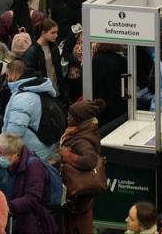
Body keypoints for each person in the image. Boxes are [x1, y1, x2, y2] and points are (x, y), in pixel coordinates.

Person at [0, 132, 58, 234]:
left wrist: (8, 206)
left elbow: (33, 198)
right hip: (17, 218)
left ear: (16, 155)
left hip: (33, 221)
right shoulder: (10, 164)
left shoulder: (34, 166)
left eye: (2, 153)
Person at [60, 98, 106, 234]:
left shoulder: (83, 140)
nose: (68, 117)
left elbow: (90, 160)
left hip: (79, 196)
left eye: (71, 115)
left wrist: (67, 156)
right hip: (81, 197)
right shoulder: (79, 132)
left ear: (79, 118)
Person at [2, 59, 60, 161]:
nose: (7, 79)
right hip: (45, 148)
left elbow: (14, 133)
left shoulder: (23, 98)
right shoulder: (38, 88)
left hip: (30, 156)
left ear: (13, 75)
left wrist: (4, 155)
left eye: (7, 75)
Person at [21, 19, 63, 95]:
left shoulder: (54, 47)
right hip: (43, 92)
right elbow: (30, 74)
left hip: (56, 89)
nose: (56, 35)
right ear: (43, 33)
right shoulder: (32, 52)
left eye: (56, 32)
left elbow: (58, 70)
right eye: (52, 33)